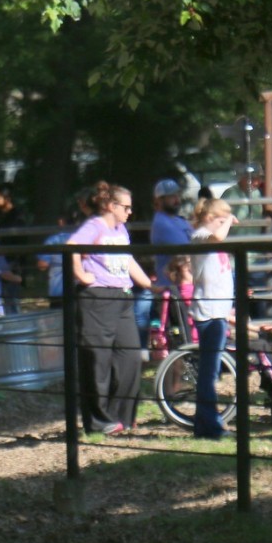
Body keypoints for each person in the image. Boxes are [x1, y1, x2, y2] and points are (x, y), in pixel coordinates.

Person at [68, 182, 152, 436]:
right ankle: (99, 422)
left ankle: (121, 416)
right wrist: (81, 275)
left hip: (122, 296)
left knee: (130, 357)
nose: (129, 212)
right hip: (98, 298)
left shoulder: (120, 229)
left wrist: (149, 284)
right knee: (98, 360)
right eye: (126, 207)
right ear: (111, 206)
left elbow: (127, 259)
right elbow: (72, 247)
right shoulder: (95, 226)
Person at [188, 197, 236, 440]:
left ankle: (205, 423)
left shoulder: (210, 238)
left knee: (211, 372)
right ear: (208, 218)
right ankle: (210, 425)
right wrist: (227, 221)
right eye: (220, 219)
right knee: (209, 373)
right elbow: (217, 236)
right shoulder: (200, 236)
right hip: (209, 312)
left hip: (219, 311)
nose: (224, 224)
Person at [143, 178, 193, 338]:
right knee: (181, 337)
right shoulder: (162, 223)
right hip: (172, 291)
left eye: (177, 195)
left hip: (184, 287)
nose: (176, 200)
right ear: (159, 200)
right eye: (171, 197)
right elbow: (188, 249)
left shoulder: (178, 220)